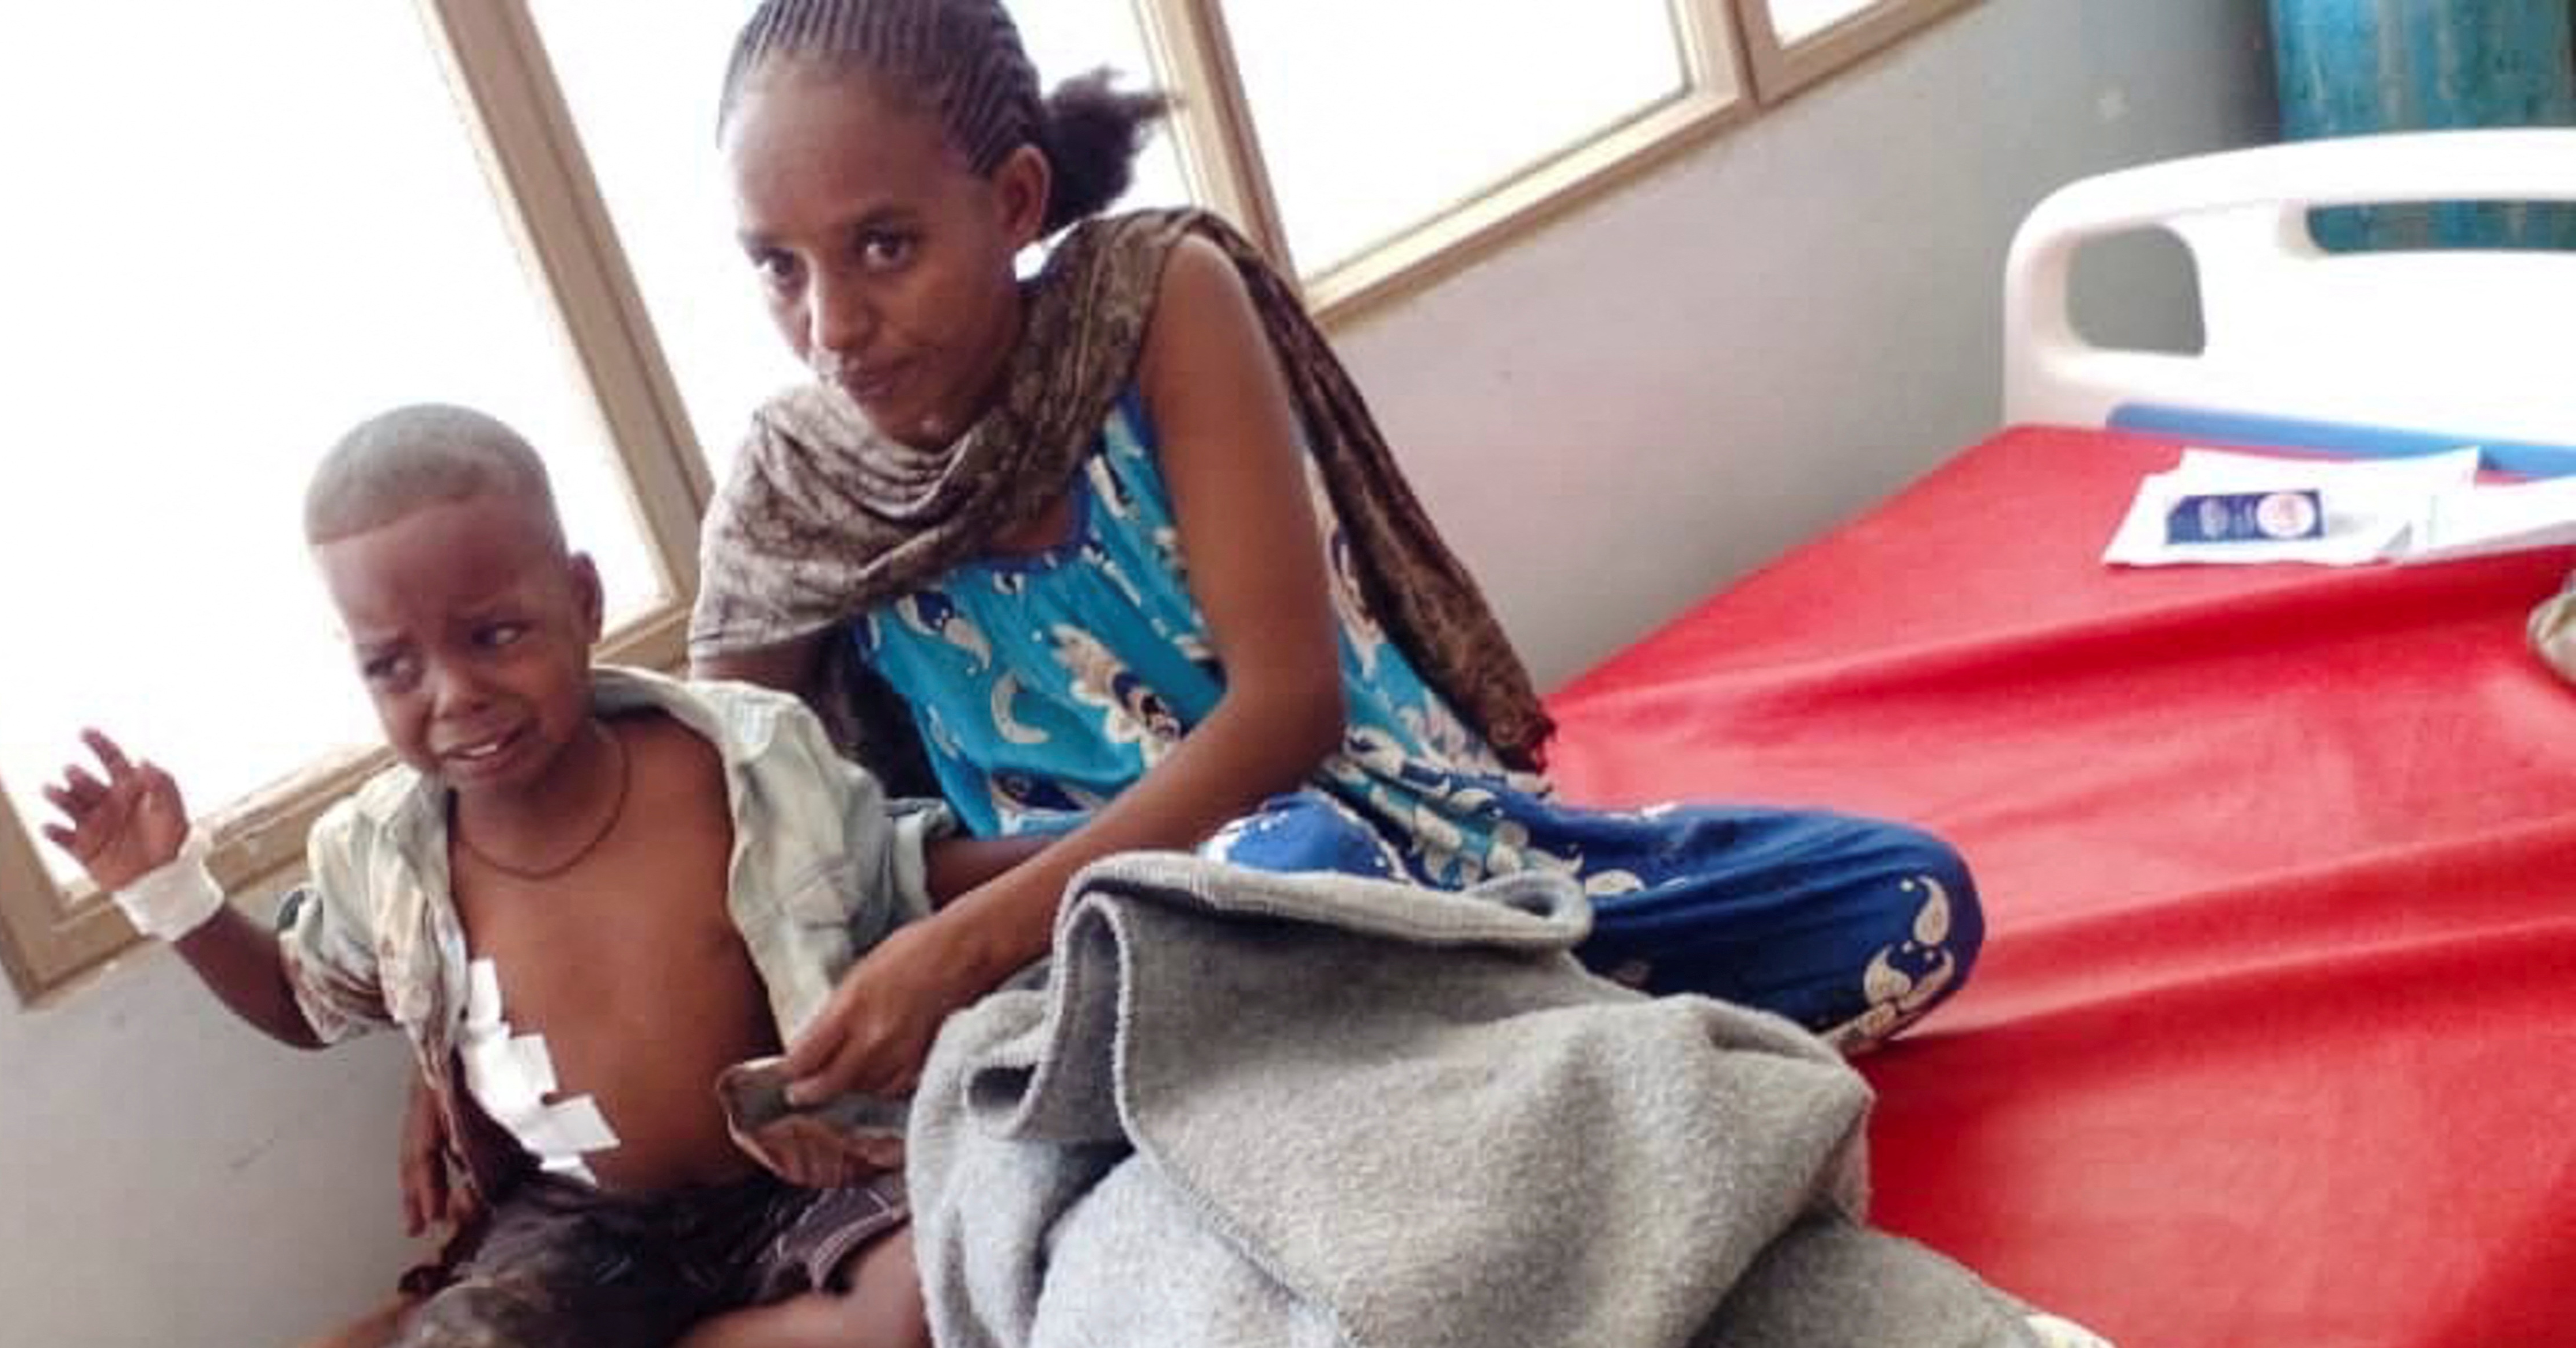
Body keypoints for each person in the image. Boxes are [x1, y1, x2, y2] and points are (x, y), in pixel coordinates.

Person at [685, 0, 1987, 1108]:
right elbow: (734, 847)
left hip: (1423, 853)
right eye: (776, 269)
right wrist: (945, 927)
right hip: (1119, 953)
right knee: (1286, 884)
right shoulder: (792, 500)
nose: (832, 325)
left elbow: (1288, 710)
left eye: (884, 247)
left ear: (1014, 199)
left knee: (1905, 902)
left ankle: (1496, 1059)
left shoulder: (1152, 302)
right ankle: (1523, 1070)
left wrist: (961, 945)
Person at [39, 405, 937, 1348]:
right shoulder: (385, 855)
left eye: (494, 636)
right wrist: (170, 893)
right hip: (588, 1229)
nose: (454, 694)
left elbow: (901, 878)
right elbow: (305, 1004)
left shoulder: (740, 759)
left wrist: (1069, 867)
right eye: (394, 666)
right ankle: (491, 1339)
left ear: (583, 601)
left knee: (921, 1307)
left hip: (802, 1171)